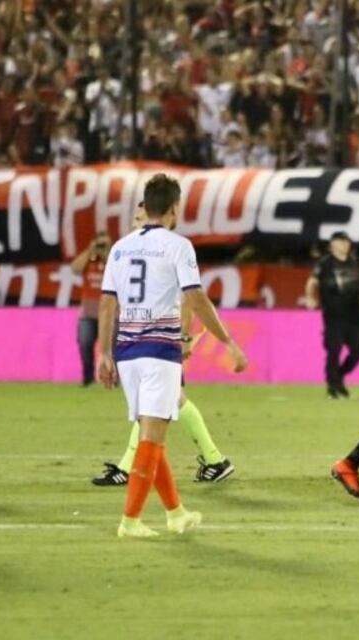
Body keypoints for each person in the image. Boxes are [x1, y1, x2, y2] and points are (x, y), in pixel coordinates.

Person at [97, 174, 247, 538]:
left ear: (145, 206)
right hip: (160, 352)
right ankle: (130, 520)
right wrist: (227, 341)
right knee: (152, 438)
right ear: (174, 208)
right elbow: (195, 298)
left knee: (153, 432)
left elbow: (106, 303)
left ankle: (175, 513)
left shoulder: (120, 247)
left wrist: (104, 353)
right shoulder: (178, 246)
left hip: (127, 351)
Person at [92, 205, 236, 486]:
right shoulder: (139, 251)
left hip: (161, 344)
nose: (135, 222)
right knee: (173, 400)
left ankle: (128, 467)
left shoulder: (169, 250)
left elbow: (188, 299)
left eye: (138, 217)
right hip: (148, 344)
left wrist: (183, 336)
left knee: (155, 407)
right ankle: (215, 460)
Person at [305, 231, 359, 398]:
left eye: (346, 241)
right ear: (332, 245)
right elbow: (312, 282)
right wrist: (311, 298)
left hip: (353, 316)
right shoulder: (325, 263)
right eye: (341, 241)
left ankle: (339, 376)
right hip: (333, 316)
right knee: (334, 350)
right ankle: (332, 386)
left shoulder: (354, 262)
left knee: (358, 350)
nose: (345, 244)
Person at [71, 231, 110, 386]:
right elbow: (75, 268)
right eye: (99, 243)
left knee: (113, 347)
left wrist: (106, 253)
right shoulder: (89, 259)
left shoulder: (115, 258)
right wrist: (90, 250)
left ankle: (113, 378)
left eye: (105, 244)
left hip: (109, 312)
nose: (101, 247)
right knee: (85, 343)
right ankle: (88, 378)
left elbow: (121, 269)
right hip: (88, 312)